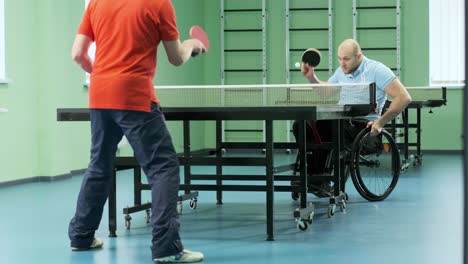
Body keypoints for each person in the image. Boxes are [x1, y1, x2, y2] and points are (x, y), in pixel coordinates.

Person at [68, 0, 206, 262]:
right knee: (163, 167)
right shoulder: (159, 4)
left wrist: (104, 75)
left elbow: (77, 54)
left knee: (99, 164)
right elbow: (176, 58)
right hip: (134, 95)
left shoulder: (97, 2)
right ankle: (167, 248)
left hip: (100, 95)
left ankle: (81, 236)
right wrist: (191, 45)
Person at [292, 39, 411, 196]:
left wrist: (380, 122)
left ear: (359, 56)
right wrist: (311, 78)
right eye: (340, 59)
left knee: (336, 131)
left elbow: (404, 98)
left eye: (346, 59)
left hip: (363, 126)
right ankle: (313, 178)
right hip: (340, 121)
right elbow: (326, 92)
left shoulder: (377, 70)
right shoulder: (342, 71)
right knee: (302, 125)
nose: (342, 63)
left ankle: (321, 181)